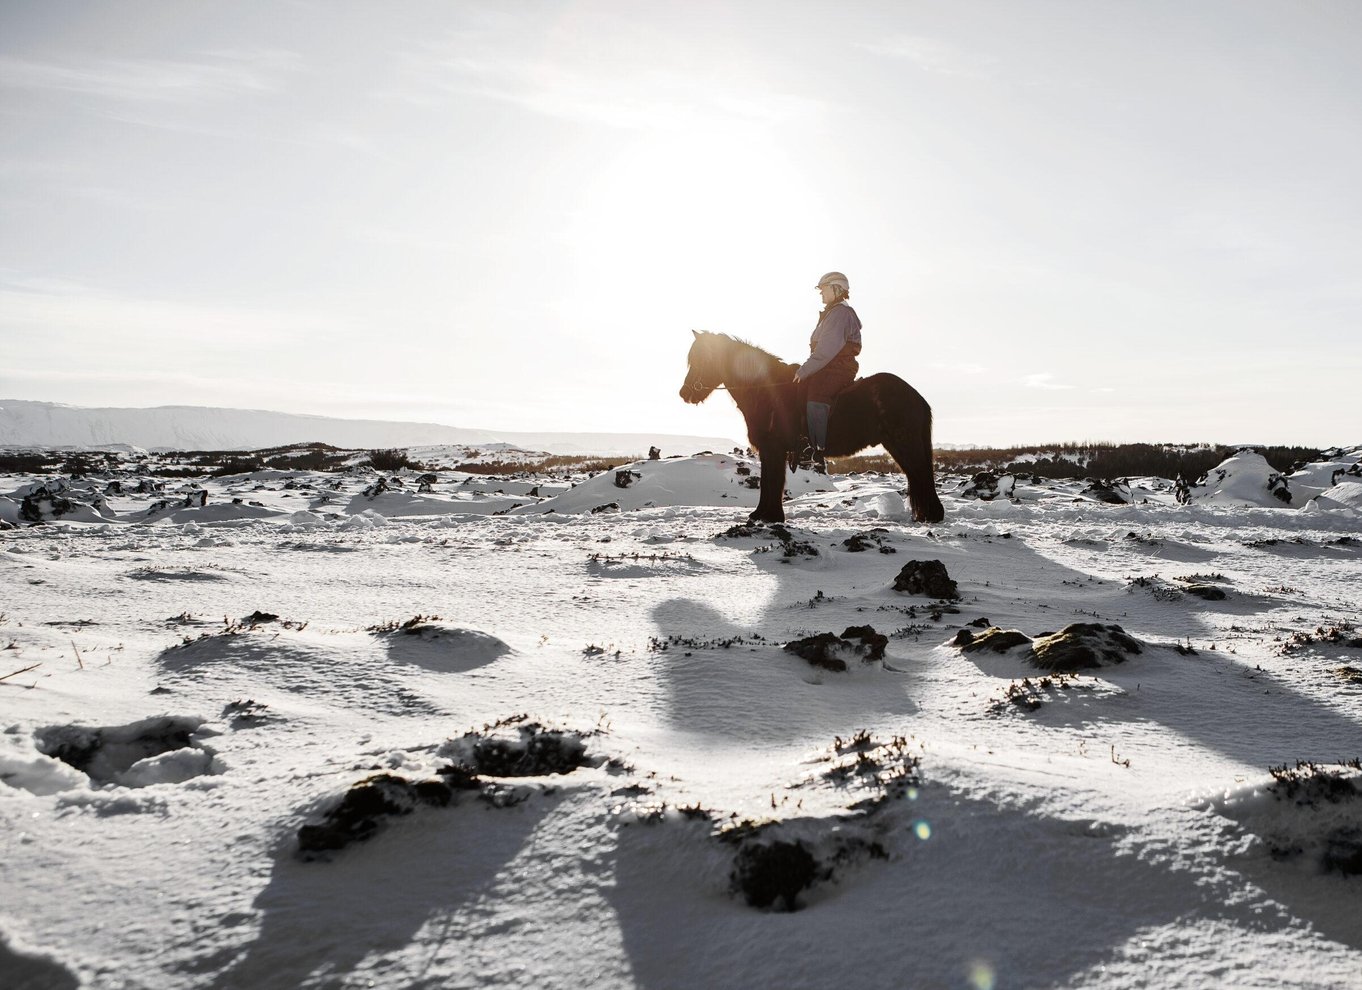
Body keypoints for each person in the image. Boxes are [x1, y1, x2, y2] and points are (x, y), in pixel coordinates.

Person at [792, 271, 861, 471]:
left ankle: (816, 451)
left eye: (823, 289)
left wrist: (803, 371)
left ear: (836, 289)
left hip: (837, 368)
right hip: (829, 365)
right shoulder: (832, 313)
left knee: (817, 394)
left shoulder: (840, 313)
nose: (821, 294)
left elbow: (825, 351)